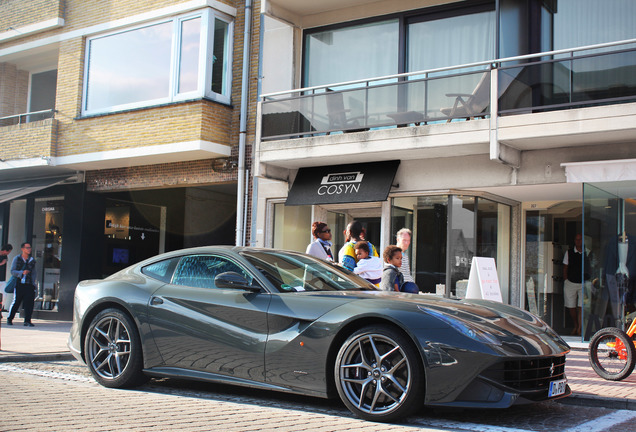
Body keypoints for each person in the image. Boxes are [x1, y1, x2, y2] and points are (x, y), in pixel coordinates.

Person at [563, 234, 591, 335]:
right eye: (577, 239)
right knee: (571, 306)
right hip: (570, 282)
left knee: (581, 306)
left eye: (580, 239)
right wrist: (566, 280)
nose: (578, 241)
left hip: (583, 283)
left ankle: (579, 328)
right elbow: (565, 267)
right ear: (574, 241)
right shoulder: (569, 252)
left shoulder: (588, 252)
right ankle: (575, 324)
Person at [7, 242, 37, 327]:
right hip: (19, 284)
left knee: (29, 303)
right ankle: (10, 318)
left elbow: (34, 272)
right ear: (22, 249)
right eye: (27, 248)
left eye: (30, 248)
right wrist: (21, 273)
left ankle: (27, 320)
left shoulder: (32, 260)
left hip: (29, 284)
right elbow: (12, 271)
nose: (29, 249)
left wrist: (33, 282)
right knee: (16, 301)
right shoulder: (17, 259)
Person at [396, 228, 419, 293]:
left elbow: (407, 275)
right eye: (404, 240)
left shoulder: (405, 256)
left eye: (408, 240)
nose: (406, 243)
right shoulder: (393, 254)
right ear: (398, 240)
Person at [0, 243, 13, 312]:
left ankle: (1, 308)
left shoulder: (5, 257)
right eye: (9, 251)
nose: (9, 253)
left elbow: (4, 262)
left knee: (4, 294)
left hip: (2, 279)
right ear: (5, 250)